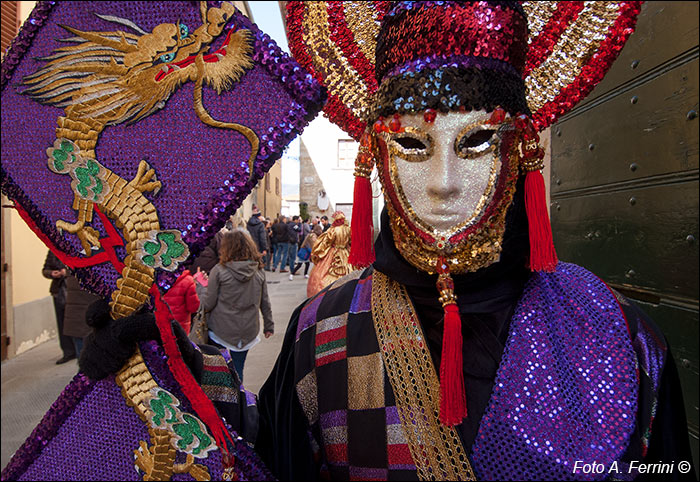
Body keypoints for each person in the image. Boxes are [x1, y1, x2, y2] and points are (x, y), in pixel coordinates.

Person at [256, 2, 696, 481]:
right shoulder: (322, 336)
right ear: (377, 157)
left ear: (521, 148)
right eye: (412, 145)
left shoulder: (618, 335)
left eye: (477, 140)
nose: (443, 182)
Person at [202, 229, 274, 382]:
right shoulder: (259, 271)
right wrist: (269, 325)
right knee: (238, 370)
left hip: (221, 329)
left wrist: (200, 288)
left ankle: (223, 402)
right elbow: (265, 302)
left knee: (219, 371)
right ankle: (239, 400)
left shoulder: (219, 271)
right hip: (248, 329)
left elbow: (208, 303)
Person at [305, 211, 353, 297]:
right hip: (345, 252)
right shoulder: (348, 229)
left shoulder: (332, 230)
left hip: (334, 251)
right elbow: (351, 241)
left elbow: (326, 242)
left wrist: (318, 251)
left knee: (323, 273)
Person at [42, 250, 76, 364]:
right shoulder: (52, 251)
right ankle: (68, 351)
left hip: (73, 291)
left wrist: (66, 272)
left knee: (75, 322)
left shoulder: (76, 246)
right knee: (61, 323)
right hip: (58, 291)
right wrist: (52, 273)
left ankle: (78, 348)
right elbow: (45, 270)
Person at [62, 272, 100, 359]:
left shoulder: (72, 265)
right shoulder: (91, 269)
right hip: (90, 319)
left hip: (76, 319)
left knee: (83, 357)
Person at [162, 269, 200, 335]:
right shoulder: (188, 281)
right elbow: (193, 308)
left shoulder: (158, 278)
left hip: (160, 323)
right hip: (180, 327)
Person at [285, 215, 301, 279]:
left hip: (289, 241)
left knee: (290, 256)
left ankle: (292, 270)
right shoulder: (294, 225)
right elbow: (299, 230)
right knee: (293, 257)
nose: (298, 221)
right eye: (298, 220)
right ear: (296, 220)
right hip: (293, 242)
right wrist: (299, 224)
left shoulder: (288, 224)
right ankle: (292, 270)